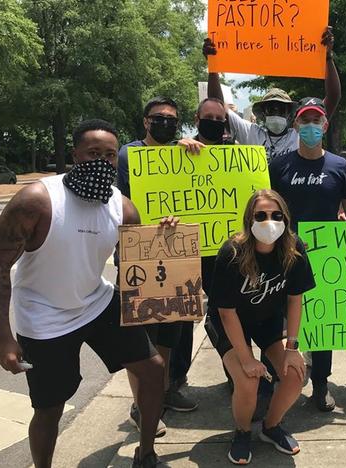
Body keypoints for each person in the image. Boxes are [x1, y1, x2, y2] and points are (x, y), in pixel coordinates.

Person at [0, 119, 176, 468]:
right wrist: (3, 338)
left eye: (109, 155)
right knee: (49, 408)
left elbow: (141, 257)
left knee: (152, 369)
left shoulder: (122, 206)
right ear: (75, 155)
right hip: (44, 317)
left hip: (96, 303)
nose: (101, 161)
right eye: (93, 153)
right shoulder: (38, 201)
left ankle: (146, 454)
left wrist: (162, 235)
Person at [269, 97, 346, 411]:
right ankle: (275, 382)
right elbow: (268, 210)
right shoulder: (280, 165)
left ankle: (321, 385)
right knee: (278, 323)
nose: (310, 126)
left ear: (325, 125)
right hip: (285, 256)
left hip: (326, 258)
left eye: (317, 120)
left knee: (322, 325)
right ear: (296, 124)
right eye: (305, 120)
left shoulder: (340, 166)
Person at [207, 189, 314, 465]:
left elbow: (295, 299)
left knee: (294, 374)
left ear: (285, 218)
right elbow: (226, 311)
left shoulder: (294, 248)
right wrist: (246, 359)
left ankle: (271, 426)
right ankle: (242, 432)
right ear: (249, 219)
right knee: (247, 379)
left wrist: (292, 347)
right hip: (229, 321)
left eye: (276, 215)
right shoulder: (232, 252)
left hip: (266, 318)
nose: (269, 221)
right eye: (261, 215)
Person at [117, 97, 202, 437]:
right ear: (146, 121)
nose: (166, 123)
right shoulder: (129, 155)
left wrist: (186, 150)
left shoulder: (179, 153)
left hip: (177, 254)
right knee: (143, 336)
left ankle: (162, 391)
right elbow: (123, 202)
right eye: (159, 118)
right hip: (141, 255)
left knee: (171, 330)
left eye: (172, 119)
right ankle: (141, 404)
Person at [202, 27, 341, 161]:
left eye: (281, 109)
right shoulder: (251, 133)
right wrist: (213, 65)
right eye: (271, 108)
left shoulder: (299, 134)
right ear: (263, 113)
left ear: (289, 113)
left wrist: (328, 58)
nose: (276, 112)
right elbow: (217, 104)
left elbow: (334, 96)